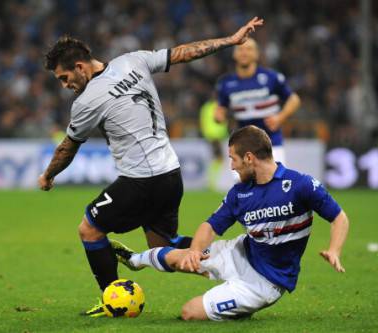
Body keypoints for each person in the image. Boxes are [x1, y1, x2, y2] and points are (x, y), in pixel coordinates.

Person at [38, 17, 265, 317]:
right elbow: (184, 52)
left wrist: (48, 175)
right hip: (171, 174)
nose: (66, 85)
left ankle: (112, 300)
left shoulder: (86, 102)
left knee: (89, 230)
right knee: (164, 249)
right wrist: (229, 41)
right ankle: (238, 262)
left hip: (140, 181)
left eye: (64, 77)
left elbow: (68, 147)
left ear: (81, 67)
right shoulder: (134, 60)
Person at [111, 125, 349, 321]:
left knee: (189, 313)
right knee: (179, 257)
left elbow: (339, 217)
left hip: (265, 283)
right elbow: (210, 226)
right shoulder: (240, 193)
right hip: (243, 252)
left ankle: (239, 307)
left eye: (233, 159)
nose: (231, 166)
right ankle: (134, 261)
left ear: (249, 158)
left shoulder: (300, 185)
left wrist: (334, 250)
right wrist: (194, 251)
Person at [215, 38, 301, 164]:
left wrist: (280, 117)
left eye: (249, 49)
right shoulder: (226, 83)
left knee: (273, 182)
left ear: (257, 54)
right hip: (241, 145)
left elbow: (294, 99)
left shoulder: (271, 77)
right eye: (240, 49)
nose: (244, 52)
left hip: (271, 142)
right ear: (234, 54)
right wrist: (219, 116)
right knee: (243, 183)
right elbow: (221, 109)